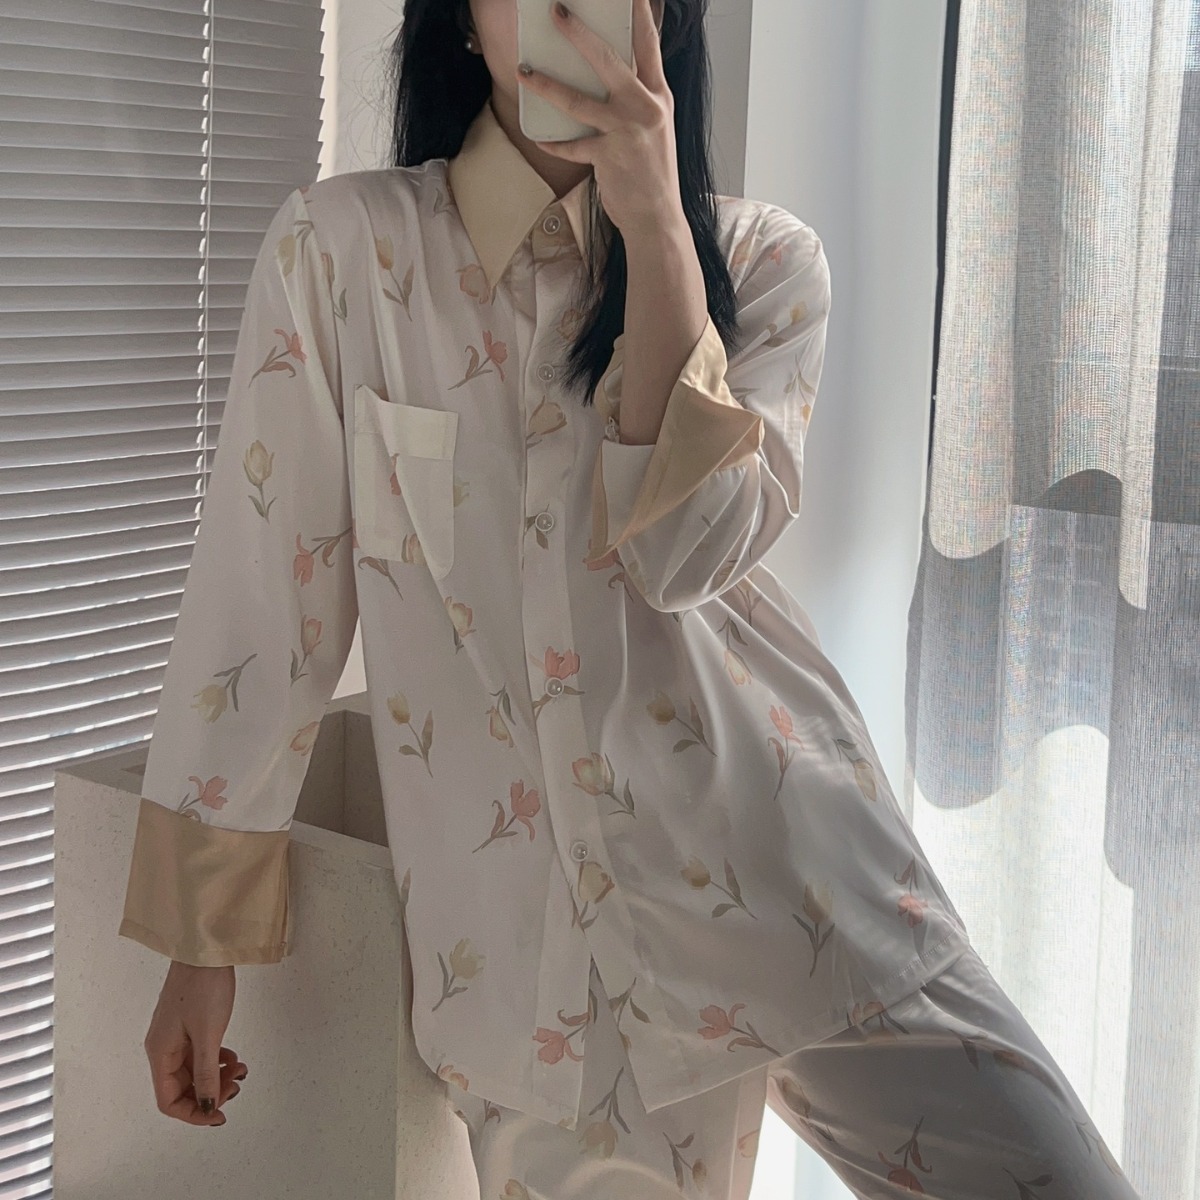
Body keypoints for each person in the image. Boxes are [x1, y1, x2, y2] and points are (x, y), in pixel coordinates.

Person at [119, 0, 1143, 1196]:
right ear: (462, 21)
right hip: (542, 993)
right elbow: (266, 599)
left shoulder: (768, 265)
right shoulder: (345, 254)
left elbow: (686, 558)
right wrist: (200, 944)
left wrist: (657, 227)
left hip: (800, 883)